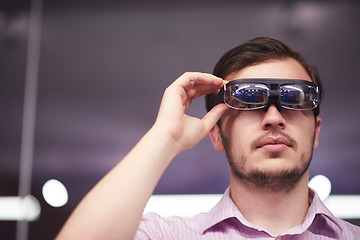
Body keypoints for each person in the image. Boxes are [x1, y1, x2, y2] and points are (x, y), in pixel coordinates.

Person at [56, 37, 360, 239]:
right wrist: (165, 136)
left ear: (316, 131)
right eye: (248, 99)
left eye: (294, 99)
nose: (273, 117)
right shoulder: (169, 236)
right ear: (216, 135)